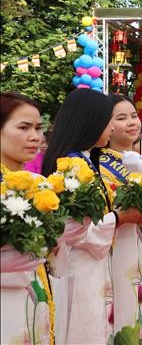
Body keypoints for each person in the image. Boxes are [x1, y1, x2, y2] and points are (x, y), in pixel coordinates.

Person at [42, 89, 131, 344]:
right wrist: (119, 217)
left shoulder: (84, 161)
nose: (112, 128)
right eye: (109, 121)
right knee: (84, 326)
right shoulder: (71, 166)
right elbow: (74, 230)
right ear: (90, 122)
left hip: (91, 262)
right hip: (79, 265)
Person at [100, 95, 142, 344]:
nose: (131, 122)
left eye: (134, 116)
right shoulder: (98, 165)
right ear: (105, 125)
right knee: (125, 313)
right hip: (117, 250)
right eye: (121, 118)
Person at [0, 92, 52, 345]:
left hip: (35, 293)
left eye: (38, 128)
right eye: (24, 128)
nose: (35, 137)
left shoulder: (40, 185)